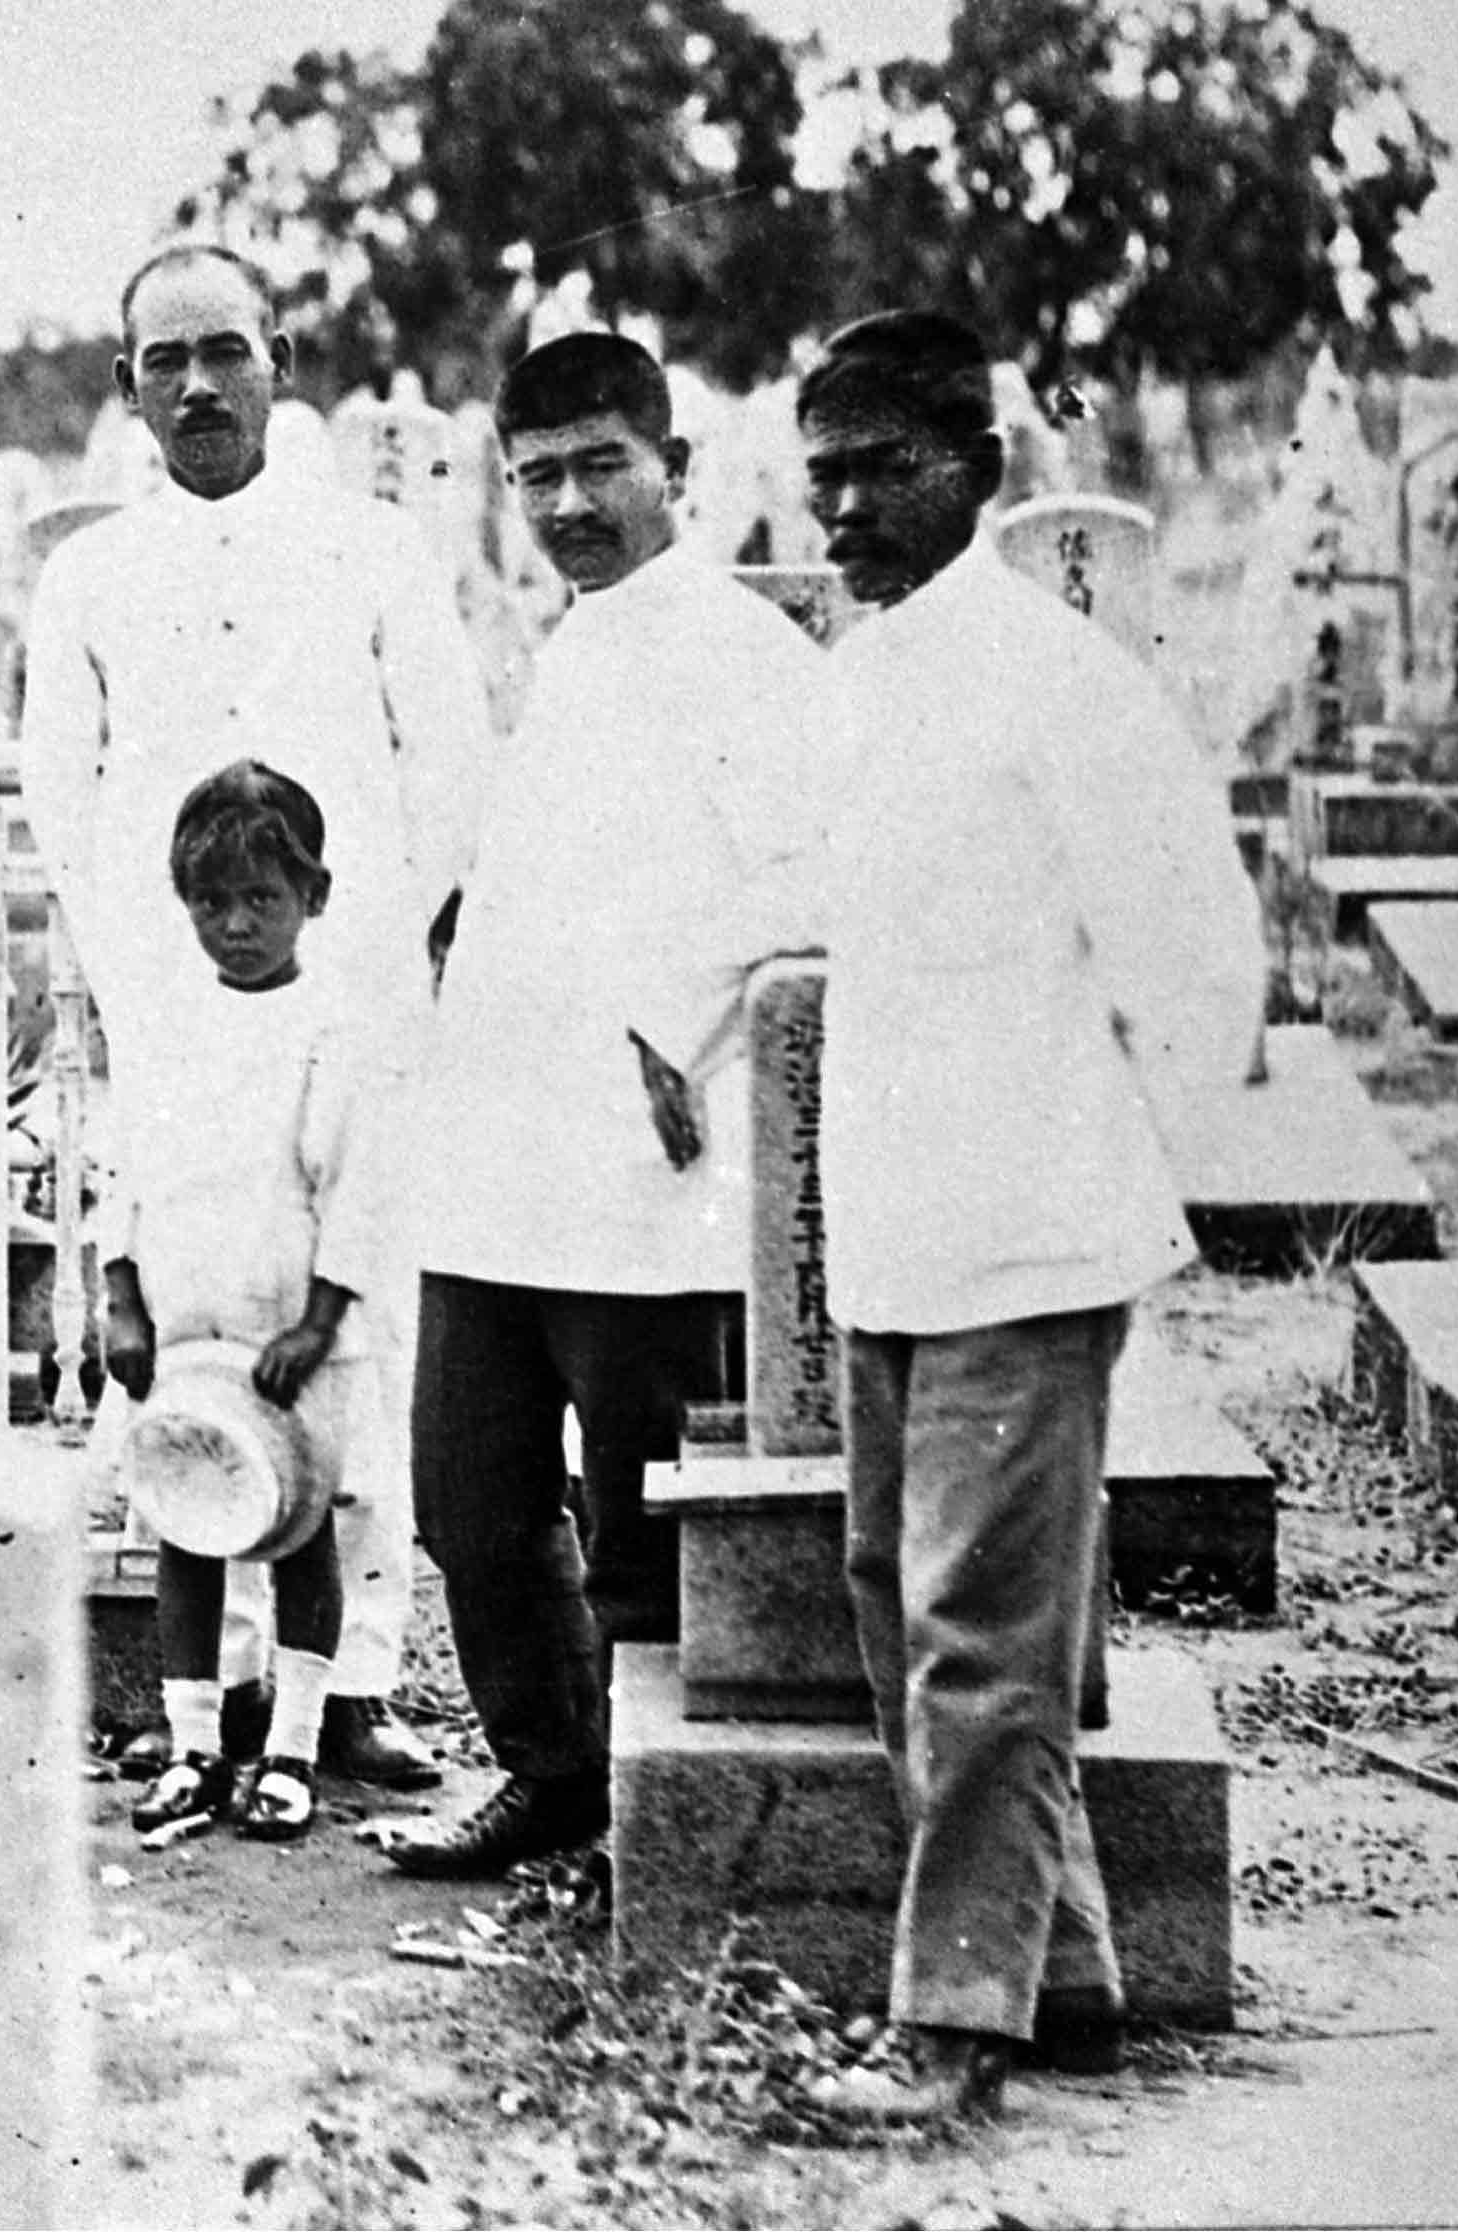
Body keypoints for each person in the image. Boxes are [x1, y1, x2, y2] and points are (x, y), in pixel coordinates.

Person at [788, 311, 1262, 2122]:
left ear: (978, 471)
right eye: (820, 472)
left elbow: (1196, 963)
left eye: (877, 469)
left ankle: (952, 2027)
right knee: (895, 1599)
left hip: (1034, 1228)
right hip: (901, 1227)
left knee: (982, 1639)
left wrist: (1110, 1156)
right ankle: (1058, 1970)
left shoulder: (1061, 687)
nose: (840, 506)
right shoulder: (865, 678)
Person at [23, 242, 496, 1790]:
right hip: (175, 1013)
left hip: (348, 999)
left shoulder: (370, 550)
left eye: (226, 351)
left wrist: (373, 955)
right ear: (126, 387)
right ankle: (207, 1704)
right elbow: (60, 788)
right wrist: (142, 978)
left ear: (281, 359)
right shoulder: (89, 573)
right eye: (165, 362)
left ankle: (348, 1686)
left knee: (351, 1347)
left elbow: (445, 759)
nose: (199, 386)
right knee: (193, 1351)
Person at [372, 334, 832, 1878]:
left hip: (649, 1162)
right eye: (535, 476)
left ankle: (666, 1817)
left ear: (674, 472)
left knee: (638, 1512)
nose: (567, 502)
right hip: (503, 1155)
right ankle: (551, 1766)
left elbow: (800, 889)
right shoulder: (567, 646)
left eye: (597, 468)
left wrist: (667, 1034)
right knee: (466, 1490)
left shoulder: (743, 652)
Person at [104, 761, 370, 1845]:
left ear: (315, 896)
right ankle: (195, 1742)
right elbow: (125, 1167)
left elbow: (356, 1181)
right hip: (188, 1322)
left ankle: (294, 1748)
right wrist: (121, 1296)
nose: (235, 924)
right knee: (186, 1521)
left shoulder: (331, 1025)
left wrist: (317, 1321)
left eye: (262, 899)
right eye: (212, 902)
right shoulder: (165, 1020)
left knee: (296, 1526)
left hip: (290, 1330)